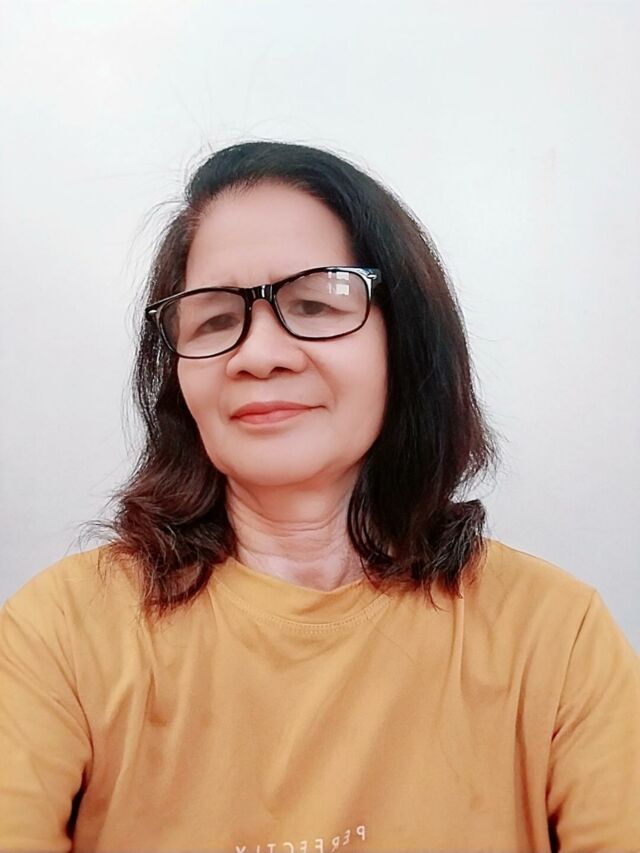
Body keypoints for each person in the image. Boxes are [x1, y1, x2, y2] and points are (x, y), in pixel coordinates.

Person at [0, 141, 638, 853]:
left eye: (315, 302)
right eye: (214, 319)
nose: (258, 354)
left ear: (406, 340)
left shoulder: (557, 637)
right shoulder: (59, 634)